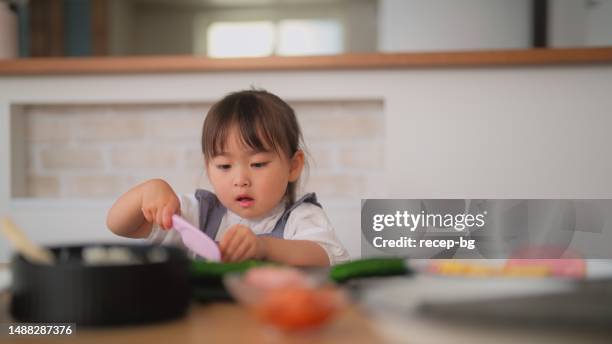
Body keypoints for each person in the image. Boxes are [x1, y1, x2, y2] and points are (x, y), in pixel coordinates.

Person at [106, 89, 349, 266]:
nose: (240, 179)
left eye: (258, 164)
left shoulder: (301, 217)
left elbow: (324, 257)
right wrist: (149, 191)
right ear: (208, 167)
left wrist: (263, 246)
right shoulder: (201, 214)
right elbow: (119, 226)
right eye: (224, 166)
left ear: (293, 167)